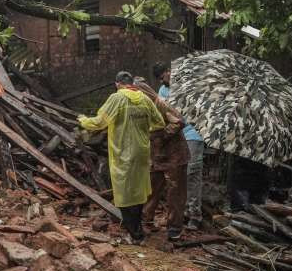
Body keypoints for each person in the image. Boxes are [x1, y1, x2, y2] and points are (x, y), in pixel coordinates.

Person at [78, 71, 165, 243]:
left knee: (124, 193)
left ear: (117, 84)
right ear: (132, 83)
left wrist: (83, 120)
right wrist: (142, 131)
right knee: (139, 191)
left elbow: (99, 122)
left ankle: (134, 233)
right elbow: (159, 123)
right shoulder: (145, 99)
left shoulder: (117, 98)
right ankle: (138, 229)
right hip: (141, 152)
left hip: (123, 152)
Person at [154, 62, 205, 230]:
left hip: (193, 133)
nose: (163, 81)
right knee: (178, 177)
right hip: (175, 136)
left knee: (192, 173)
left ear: (169, 71)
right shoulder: (163, 90)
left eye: (163, 77)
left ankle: (194, 215)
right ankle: (179, 215)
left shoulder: (188, 84)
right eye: (160, 79)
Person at [137, 79, 189, 241]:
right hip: (156, 155)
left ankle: (174, 227)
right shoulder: (139, 108)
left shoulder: (161, 104)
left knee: (175, 192)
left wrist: (163, 135)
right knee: (151, 188)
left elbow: (179, 121)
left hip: (174, 154)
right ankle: (146, 220)